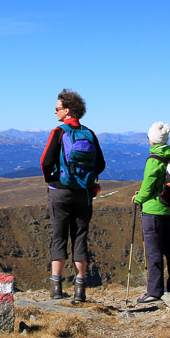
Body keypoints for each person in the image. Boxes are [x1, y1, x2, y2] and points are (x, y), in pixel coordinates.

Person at [41, 88, 106, 302]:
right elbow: (101, 164)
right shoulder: (89, 133)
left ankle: (56, 289)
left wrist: (51, 178)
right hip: (83, 194)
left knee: (59, 238)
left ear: (67, 111)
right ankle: (80, 291)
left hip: (60, 192)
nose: (55, 112)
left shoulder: (59, 132)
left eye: (57, 108)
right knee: (80, 238)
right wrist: (86, 181)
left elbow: (45, 161)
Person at [131, 121, 170, 303]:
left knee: (154, 251)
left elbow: (148, 186)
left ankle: (154, 291)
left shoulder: (154, 159)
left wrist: (138, 199)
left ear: (152, 140)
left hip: (153, 211)